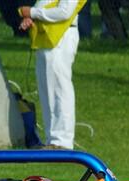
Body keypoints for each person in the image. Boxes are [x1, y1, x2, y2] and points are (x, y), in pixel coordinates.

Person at [19, 0, 86, 149]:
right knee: (46, 89)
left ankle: (62, 141)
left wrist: (32, 12)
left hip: (62, 34)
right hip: (47, 34)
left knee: (59, 88)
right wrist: (33, 17)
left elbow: (64, 11)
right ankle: (52, 139)